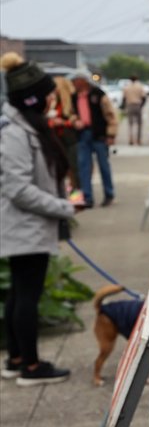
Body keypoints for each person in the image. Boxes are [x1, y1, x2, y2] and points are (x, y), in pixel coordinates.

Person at [0, 53, 84, 386]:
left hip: (28, 226)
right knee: (26, 296)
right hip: (24, 225)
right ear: (31, 98)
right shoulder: (15, 134)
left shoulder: (22, 125)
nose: (53, 100)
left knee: (20, 293)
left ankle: (17, 358)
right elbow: (18, 187)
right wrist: (63, 207)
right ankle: (31, 367)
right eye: (47, 94)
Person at [70, 72, 117, 208]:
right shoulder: (73, 97)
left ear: (83, 81)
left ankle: (109, 193)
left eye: (76, 81)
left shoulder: (98, 95)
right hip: (82, 133)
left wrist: (111, 134)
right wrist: (75, 121)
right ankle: (87, 196)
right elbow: (71, 113)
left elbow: (110, 114)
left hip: (99, 134)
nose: (74, 84)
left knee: (103, 165)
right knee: (84, 166)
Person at [122, 75, 148, 145]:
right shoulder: (140, 86)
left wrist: (124, 107)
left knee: (130, 124)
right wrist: (141, 106)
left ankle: (131, 139)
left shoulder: (126, 87)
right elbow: (144, 98)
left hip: (129, 105)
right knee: (139, 124)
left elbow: (124, 98)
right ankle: (138, 140)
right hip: (138, 105)